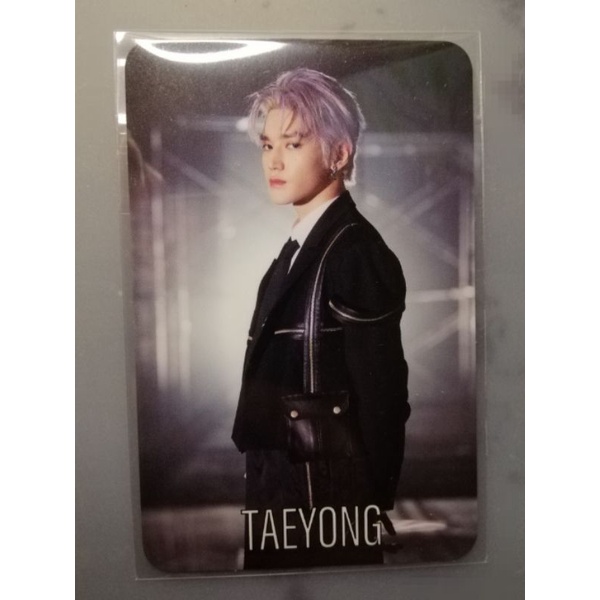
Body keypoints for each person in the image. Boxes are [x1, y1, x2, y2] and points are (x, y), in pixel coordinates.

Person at [231, 68, 410, 570]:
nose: (274, 160)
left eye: (293, 144)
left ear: (339, 153)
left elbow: (382, 399)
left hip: (325, 507)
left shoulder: (354, 253)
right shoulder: (298, 249)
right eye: (268, 145)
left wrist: (369, 506)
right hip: (283, 499)